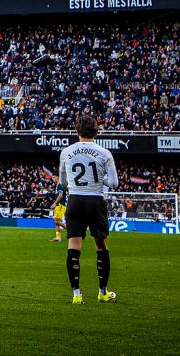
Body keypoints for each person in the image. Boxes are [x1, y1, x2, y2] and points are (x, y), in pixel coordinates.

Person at [59, 115, 118, 305]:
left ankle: (76, 294)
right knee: (101, 246)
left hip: (75, 201)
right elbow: (114, 183)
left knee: (73, 247)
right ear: (96, 132)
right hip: (96, 201)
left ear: (77, 132)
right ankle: (102, 292)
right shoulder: (104, 152)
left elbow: (63, 183)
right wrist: (99, 180)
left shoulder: (66, 152)